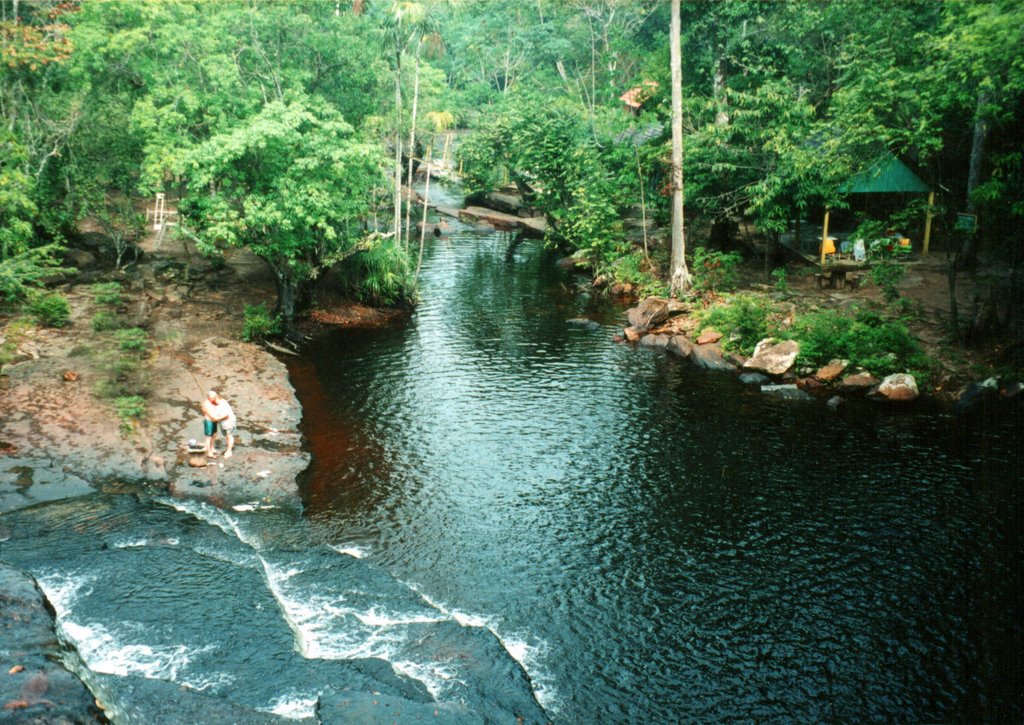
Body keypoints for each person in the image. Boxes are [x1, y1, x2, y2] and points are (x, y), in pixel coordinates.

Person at [201, 390, 222, 457]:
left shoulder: (213, 402)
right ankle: (209, 452)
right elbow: (211, 415)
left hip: (214, 420)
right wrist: (220, 418)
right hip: (209, 421)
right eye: (213, 398)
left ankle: (212, 448)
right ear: (209, 398)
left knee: (214, 435)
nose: (214, 399)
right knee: (209, 437)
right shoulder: (206, 404)